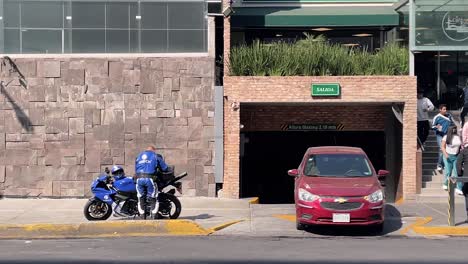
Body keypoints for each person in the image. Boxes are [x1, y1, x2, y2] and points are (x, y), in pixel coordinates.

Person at [135, 145, 169, 215]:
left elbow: (136, 169)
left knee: (140, 197)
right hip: (149, 179)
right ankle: (153, 216)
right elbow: (165, 168)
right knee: (153, 197)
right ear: (153, 150)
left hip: (139, 179)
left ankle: (142, 216)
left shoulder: (139, 156)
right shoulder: (155, 156)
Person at [432, 104, 455, 172]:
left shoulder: (449, 116)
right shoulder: (437, 117)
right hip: (439, 135)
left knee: (447, 150)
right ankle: (439, 164)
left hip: (447, 135)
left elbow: (452, 124)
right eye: (444, 109)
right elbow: (432, 126)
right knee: (442, 149)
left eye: (446, 109)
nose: (445, 110)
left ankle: (445, 164)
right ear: (440, 110)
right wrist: (437, 127)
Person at [441, 126, 463, 194]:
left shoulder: (458, 137)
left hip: (456, 156)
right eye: (453, 129)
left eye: (455, 129)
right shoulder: (446, 137)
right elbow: (442, 147)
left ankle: (459, 188)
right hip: (448, 156)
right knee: (448, 172)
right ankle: (446, 183)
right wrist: (446, 154)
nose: (454, 130)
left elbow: (461, 145)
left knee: (456, 172)